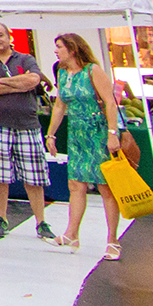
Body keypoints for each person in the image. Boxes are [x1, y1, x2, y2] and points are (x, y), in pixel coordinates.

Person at [45, 32, 126, 259]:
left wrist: (112, 133)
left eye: (59, 46)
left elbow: (110, 102)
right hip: (76, 133)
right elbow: (60, 105)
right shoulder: (62, 73)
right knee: (75, 184)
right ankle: (72, 233)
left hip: (98, 130)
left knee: (105, 187)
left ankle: (112, 240)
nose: (56, 51)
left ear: (72, 49)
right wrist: (51, 134)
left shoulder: (93, 71)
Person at [0, 23, 56, 241]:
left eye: (0, 35)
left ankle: (41, 221)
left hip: (26, 123)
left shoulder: (26, 58)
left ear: (9, 37)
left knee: (34, 174)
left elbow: (33, 80)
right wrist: (16, 85)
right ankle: (1, 218)